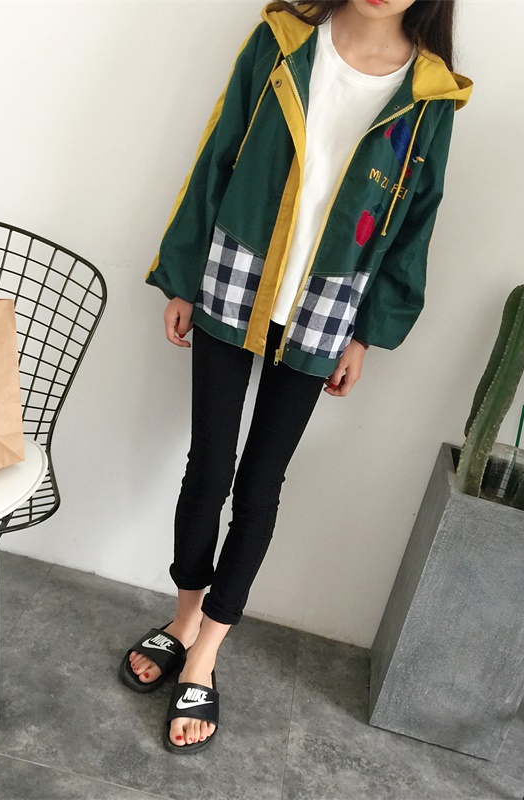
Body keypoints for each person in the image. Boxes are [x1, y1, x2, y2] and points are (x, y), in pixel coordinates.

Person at [121, 0, 472, 754]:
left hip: (329, 302)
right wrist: (181, 274)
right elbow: (217, 152)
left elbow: (417, 223)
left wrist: (368, 334)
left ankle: (207, 651)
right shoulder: (282, 42)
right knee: (208, 467)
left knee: (260, 484)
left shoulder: (431, 94)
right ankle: (183, 617)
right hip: (233, 272)